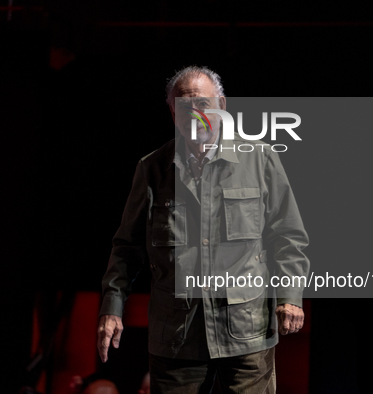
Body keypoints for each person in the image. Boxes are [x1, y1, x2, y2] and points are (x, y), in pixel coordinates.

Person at [97, 66, 310, 393]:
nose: (194, 114)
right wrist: (112, 307)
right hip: (177, 334)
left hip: (247, 330)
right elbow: (126, 248)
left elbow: (288, 235)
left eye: (202, 104)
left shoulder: (260, 159)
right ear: (172, 111)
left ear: (221, 106)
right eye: (184, 106)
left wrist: (290, 296)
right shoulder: (152, 168)